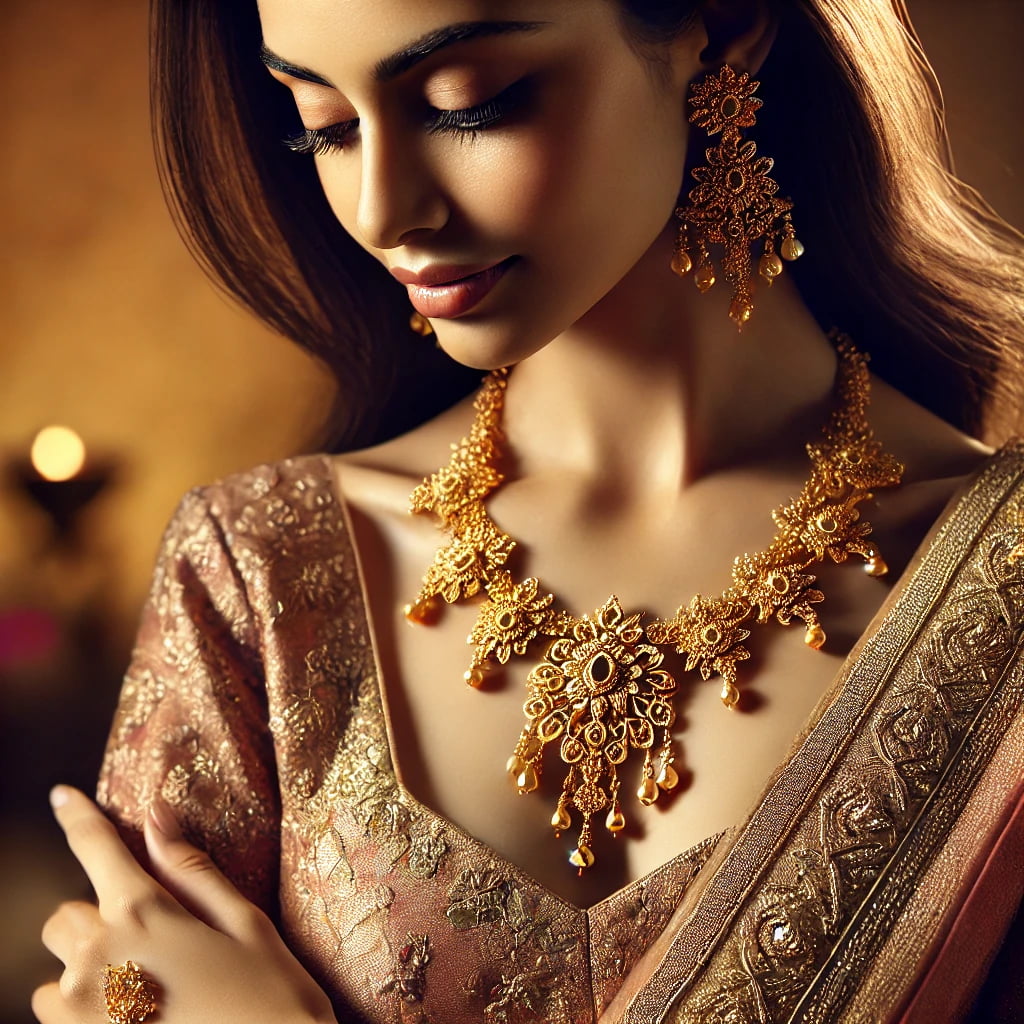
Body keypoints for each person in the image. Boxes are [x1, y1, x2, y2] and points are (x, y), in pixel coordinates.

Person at [33, 0, 1024, 1021]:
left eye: (471, 104)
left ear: (721, 30)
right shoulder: (262, 571)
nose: (382, 209)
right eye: (323, 124)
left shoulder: (999, 569)